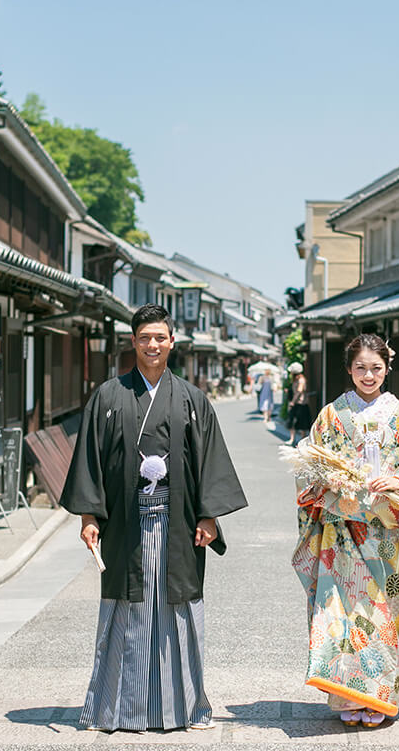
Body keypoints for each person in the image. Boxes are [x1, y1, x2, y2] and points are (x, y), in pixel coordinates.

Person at [61, 304, 249, 732]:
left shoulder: (192, 398)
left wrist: (209, 516)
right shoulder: (109, 396)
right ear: (133, 342)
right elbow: (91, 459)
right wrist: (89, 515)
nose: (152, 345)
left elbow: (209, 462)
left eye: (160, 337)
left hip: (178, 521)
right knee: (127, 608)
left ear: (172, 342)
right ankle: (115, 709)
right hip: (126, 523)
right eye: (145, 337)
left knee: (178, 607)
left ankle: (187, 708)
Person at [291, 334, 399, 728]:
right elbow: (309, 465)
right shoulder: (332, 415)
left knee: (383, 612)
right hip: (343, 533)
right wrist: (331, 482)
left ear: (387, 368)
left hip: (387, 536)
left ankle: (381, 698)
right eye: (360, 368)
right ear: (349, 369)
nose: (368, 375)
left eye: (376, 367)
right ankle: (346, 697)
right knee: (343, 616)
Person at [287, 362, 312, 446]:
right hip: (297, 403)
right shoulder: (296, 379)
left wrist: (293, 402)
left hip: (301, 403)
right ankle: (292, 439)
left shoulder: (301, 380)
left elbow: (299, 391)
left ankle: (301, 441)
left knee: (302, 423)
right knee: (293, 421)